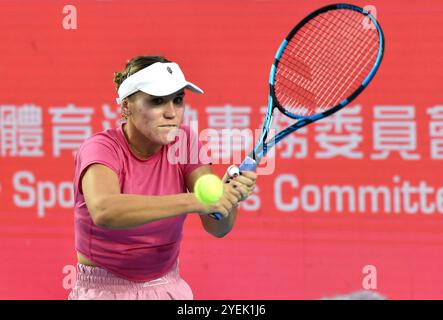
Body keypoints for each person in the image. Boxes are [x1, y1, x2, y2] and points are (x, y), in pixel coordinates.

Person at [68, 55, 257, 300]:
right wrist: (197, 201)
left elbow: (217, 227)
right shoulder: (101, 148)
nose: (172, 113)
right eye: (157, 101)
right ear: (126, 106)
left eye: (178, 100)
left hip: (168, 288)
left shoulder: (185, 141)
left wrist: (229, 198)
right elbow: (105, 211)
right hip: (105, 292)